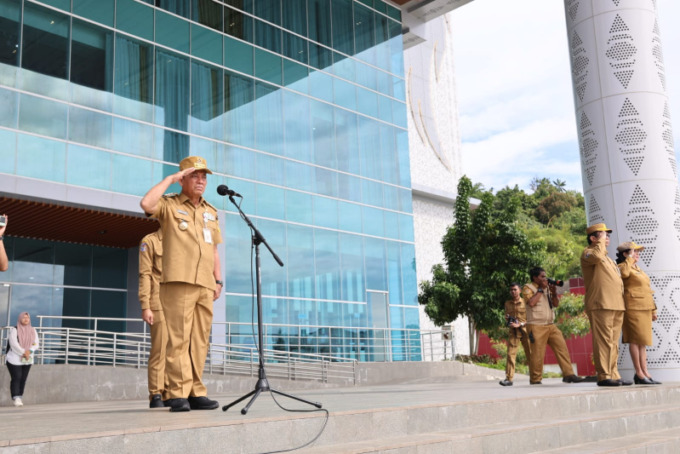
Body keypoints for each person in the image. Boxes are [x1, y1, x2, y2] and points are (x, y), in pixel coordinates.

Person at [140, 156, 223, 413]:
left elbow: (214, 249)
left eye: (204, 177)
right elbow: (146, 203)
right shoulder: (169, 205)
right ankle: (176, 393)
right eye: (195, 175)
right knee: (178, 340)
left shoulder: (211, 211)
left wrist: (218, 279)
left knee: (199, 341)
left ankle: (196, 391)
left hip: (205, 284)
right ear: (183, 179)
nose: (201, 181)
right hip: (178, 281)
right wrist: (169, 179)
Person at [580, 223, 631, 386]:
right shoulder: (588, 253)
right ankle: (603, 375)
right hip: (600, 303)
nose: (607, 237)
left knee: (613, 342)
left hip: (616, 304)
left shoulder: (608, 258)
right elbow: (596, 257)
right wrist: (600, 243)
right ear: (593, 238)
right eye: (603, 235)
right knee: (603, 341)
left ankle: (613, 373)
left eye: (607, 235)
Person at [523, 267, 584, 385]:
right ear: (535, 278)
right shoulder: (528, 288)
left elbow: (555, 304)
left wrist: (554, 293)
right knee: (537, 353)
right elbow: (531, 303)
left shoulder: (546, 288)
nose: (545, 278)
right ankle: (535, 379)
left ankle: (568, 374)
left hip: (551, 325)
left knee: (562, 348)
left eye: (545, 276)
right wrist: (540, 290)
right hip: (536, 325)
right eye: (542, 276)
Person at [616, 241, 661, 385]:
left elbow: (647, 289)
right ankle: (639, 372)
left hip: (645, 307)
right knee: (635, 340)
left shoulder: (638, 268)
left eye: (637, 252)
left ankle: (645, 372)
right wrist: (629, 260)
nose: (637, 254)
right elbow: (623, 275)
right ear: (625, 254)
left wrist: (653, 309)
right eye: (634, 251)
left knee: (643, 341)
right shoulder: (623, 266)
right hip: (633, 307)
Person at [138, 228, 169, 407]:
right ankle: (156, 393)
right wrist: (146, 305)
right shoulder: (150, 241)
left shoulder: (181, 239)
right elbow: (145, 274)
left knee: (178, 350)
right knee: (160, 348)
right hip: (158, 301)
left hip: (180, 303)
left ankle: (172, 391)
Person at [499, 283, 531, 386]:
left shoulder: (526, 302)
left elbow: (531, 318)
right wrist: (508, 319)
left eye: (515, 290)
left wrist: (520, 324)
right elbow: (506, 315)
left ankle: (535, 376)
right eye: (511, 290)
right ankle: (509, 379)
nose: (513, 292)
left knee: (530, 354)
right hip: (513, 332)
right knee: (510, 354)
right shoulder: (507, 303)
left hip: (525, 330)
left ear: (520, 291)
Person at [6, 312, 39, 407]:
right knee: (17, 377)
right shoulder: (14, 329)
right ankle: (16, 397)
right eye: (23, 317)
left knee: (23, 379)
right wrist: (24, 352)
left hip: (28, 359)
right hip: (14, 359)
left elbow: (36, 343)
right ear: (20, 319)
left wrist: (30, 351)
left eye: (27, 317)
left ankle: (19, 396)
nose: (26, 319)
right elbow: (14, 344)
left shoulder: (33, 330)